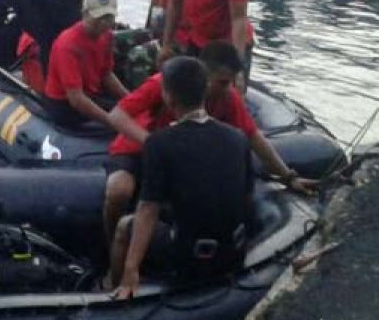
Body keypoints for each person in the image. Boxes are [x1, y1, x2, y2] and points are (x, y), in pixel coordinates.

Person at [103, 42, 317, 248]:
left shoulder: (227, 97)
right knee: (118, 191)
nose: (229, 89)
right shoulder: (165, 84)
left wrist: (288, 176)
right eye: (223, 82)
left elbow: (254, 138)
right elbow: (117, 115)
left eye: (232, 83)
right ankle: (110, 245)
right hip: (139, 147)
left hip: (176, 156)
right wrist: (153, 143)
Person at [110, 57, 254, 299]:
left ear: (168, 97)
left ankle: (115, 288)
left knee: (125, 226)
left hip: (188, 253)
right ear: (204, 90)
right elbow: (246, 194)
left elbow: (148, 209)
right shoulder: (238, 138)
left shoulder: (159, 143)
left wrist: (131, 269)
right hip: (232, 252)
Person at [42, 0, 128, 128]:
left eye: (108, 17)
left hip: (91, 94)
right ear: (85, 14)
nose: (104, 23)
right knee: (123, 119)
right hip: (65, 104)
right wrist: (111, 121)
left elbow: (106, 74)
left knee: (131, 111)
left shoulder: (107, 36)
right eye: (99, 17)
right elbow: (76, 99)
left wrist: (130, 99)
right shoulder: (68, 45)